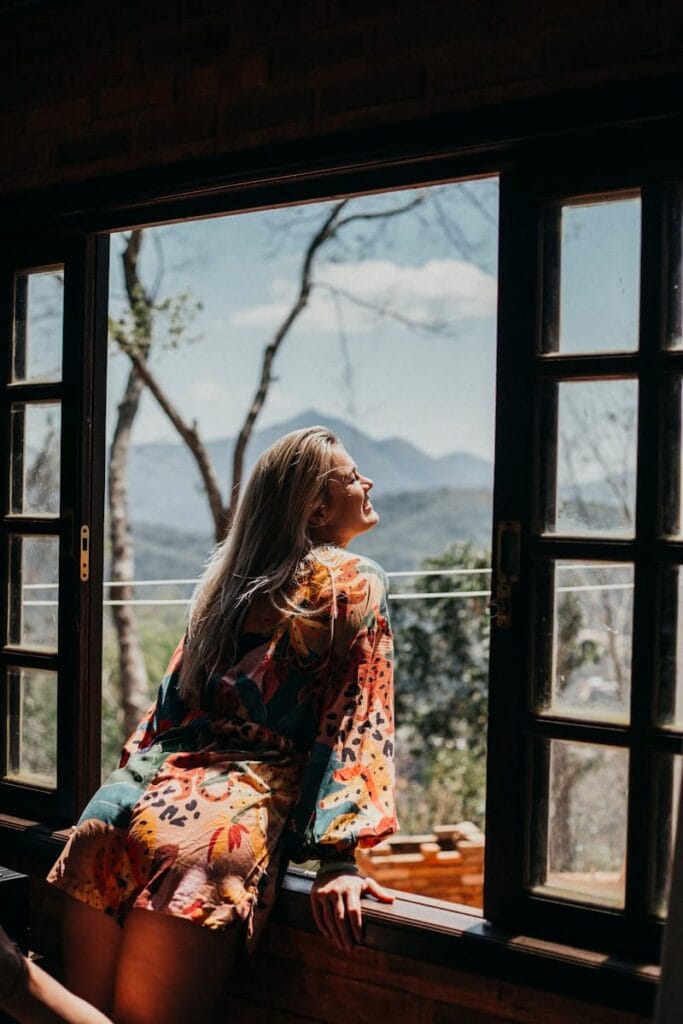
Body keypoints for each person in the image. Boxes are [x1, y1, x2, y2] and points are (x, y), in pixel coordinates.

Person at [0, 426, 397, 1024]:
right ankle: (12, 983)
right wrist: (338, 857)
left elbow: (167, 711)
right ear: (316, 506)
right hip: (216, 824)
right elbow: (356, 719)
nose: (367, 482)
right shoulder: (353, 581)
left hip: (120, 811)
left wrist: (125, 791)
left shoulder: (223, 587)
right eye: (352, 476)